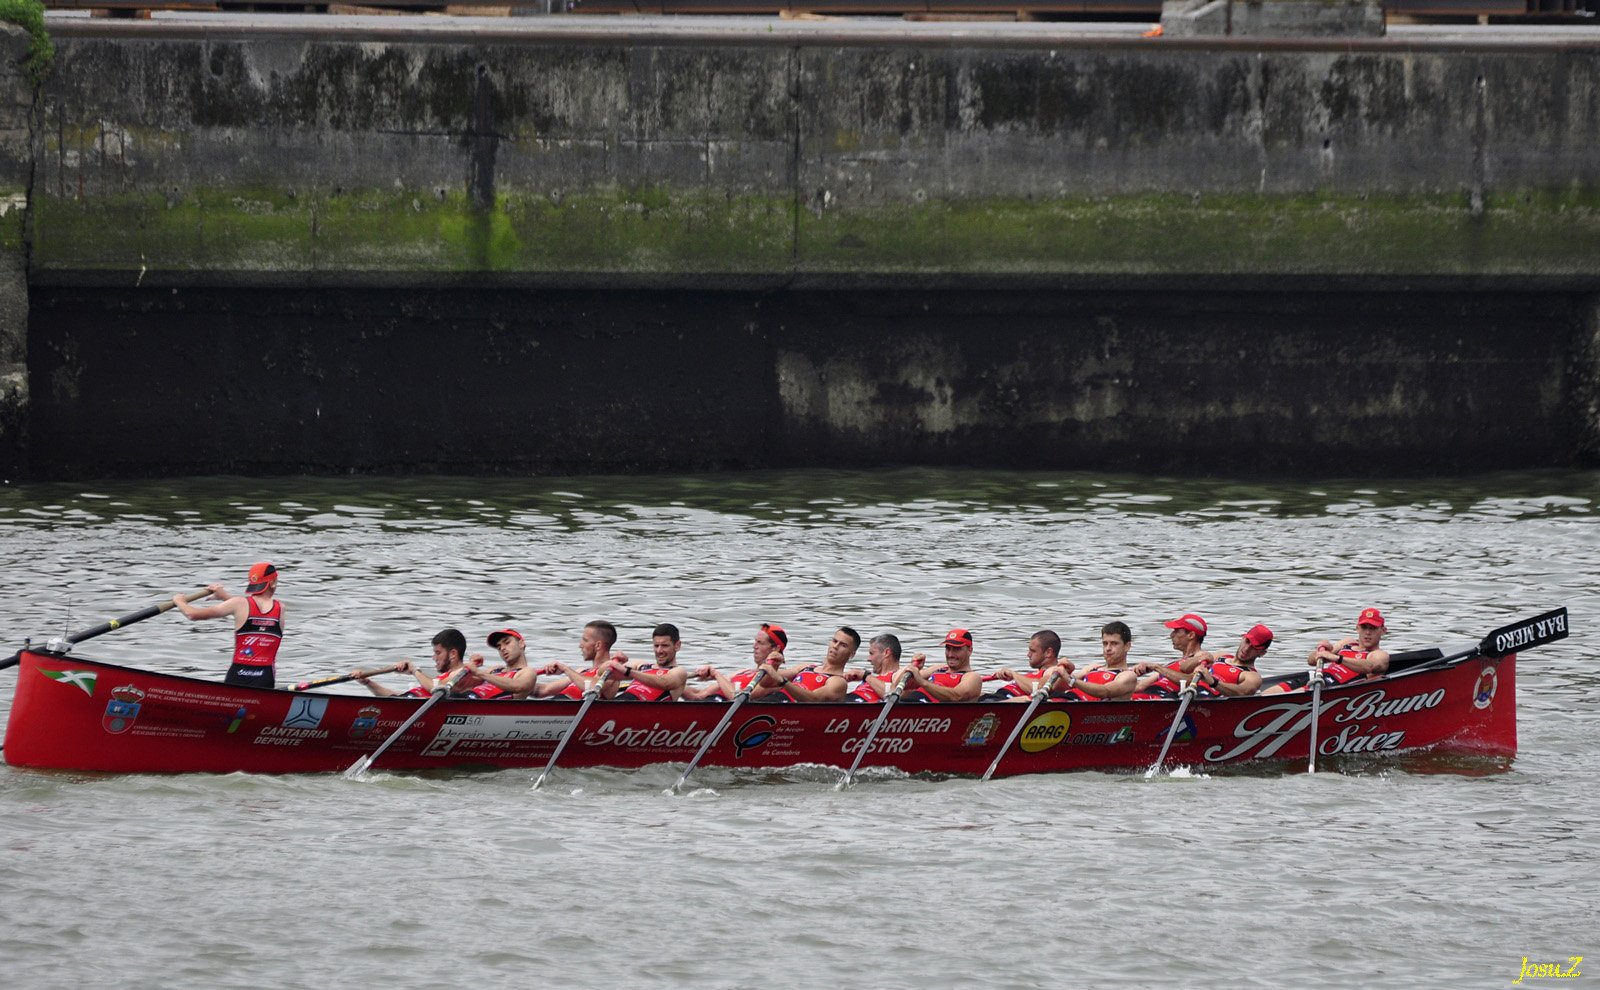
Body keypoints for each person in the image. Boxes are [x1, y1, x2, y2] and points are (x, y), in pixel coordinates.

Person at [173, 561, 284, 689]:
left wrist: (179, 601)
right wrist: (225, 596)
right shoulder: (280, 608)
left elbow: (192, 614)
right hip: (265, 677)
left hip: (238, 675)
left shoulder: (238, 604)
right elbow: (253, 609)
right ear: (273, 583)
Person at [1268, 607, 1391, 693]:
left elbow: (1370, 667)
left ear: (1383, 631)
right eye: (1364, 627)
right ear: (1357, 628)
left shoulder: (1379, 655)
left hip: (1335, 688)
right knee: (1268, 694)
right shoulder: (1348, 642)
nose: (1368, 633)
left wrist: (1338, 658)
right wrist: (1321, 650)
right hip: (1317, 676)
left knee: (1291, 696)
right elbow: (1311, 661)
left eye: (1373, 628)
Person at [358, 629, 477, 698]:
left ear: (453, 654)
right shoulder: (442, 678)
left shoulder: (463, 674)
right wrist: (368, 683)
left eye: (438, 653)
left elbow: (438, 688)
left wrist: (414, 671)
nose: (434, 658)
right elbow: (398, 697)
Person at [684, 623, 788, 701]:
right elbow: (698, 696)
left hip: (725, 711)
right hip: (708, 704)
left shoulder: (773, 680)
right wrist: (675, 681)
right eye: (755, 641)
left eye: (760, 643)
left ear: (775, 649)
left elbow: (736, 697)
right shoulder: (742, 672)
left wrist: (715, 674)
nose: (754, 646)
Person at [763, 627, 859, 702]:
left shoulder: (838, 682)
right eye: (834, 641)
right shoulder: (806, 667)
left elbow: (813, 699)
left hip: (788, 713)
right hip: (770, 701)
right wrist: (774, 666)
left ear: (851, 654)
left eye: (843, 645)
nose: (835, 646)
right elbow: (765, 683)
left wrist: (782, 681)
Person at [1050, 621, 1140, 701]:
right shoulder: (1092, 668)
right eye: (1105, 644)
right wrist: (1067, 672)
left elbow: (1105, 691)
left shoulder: (1128, 676)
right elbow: (1058, 688)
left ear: (1127, 646)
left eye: (1114, 643)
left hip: (1084, 710)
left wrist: (1070, 679)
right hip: (1065, 700)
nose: (1108, 648)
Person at [1132, 613, 1209, 699]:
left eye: (1176, 631)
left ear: (1191, 635)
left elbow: (1191, 681)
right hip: (1148, 695)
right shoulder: (1172, 665)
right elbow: (1140, 686)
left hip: (1164, 699)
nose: (1171, 635)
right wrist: (1129, 675)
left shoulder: (1201, 658)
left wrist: (1157, 667)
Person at [539, 620, 624, 700]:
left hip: (567, 710)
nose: (580, 645)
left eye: (585, 640)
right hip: (552, 706)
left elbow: (593, 687)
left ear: (598, 645)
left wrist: (565, 669)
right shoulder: (581, 672)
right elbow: (543, 690)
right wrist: (528, 677)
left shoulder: (612, 672)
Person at [899, 629, 985, 703]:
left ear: (970, 650)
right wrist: (914, 668)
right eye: (948, 649)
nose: (950, 654)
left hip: (928, 712)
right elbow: (900, 684)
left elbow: (956, 696)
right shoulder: (938, 668)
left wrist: (922, 682)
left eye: (956, 649)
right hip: (907, 703)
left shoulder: (972, 677)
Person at [613, 623, 690, 701]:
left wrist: (627, 671)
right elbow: (604, 672)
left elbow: (664, 683)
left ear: (677, 645)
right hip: (618, 702)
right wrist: (614, 662)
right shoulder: (641, 665)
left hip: (643, 709)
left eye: (665, 646)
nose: (659, 651)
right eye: (656, 646)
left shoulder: (679, 672)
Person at [1191, 624, 1272, 697]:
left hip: (1207, 706)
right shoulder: (1220, 656)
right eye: (1247, 641)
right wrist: (1197, 659)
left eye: (1254, 647)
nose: (1247, 649)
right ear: (1242, 638)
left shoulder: (1252, 676)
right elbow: (1184, 667)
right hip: (1188, 694)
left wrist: (1213, 682)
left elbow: (1242, 692)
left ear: (1262, 653)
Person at [987, 630, 1066, 701]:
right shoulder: (1037, 673)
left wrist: (1013, 674)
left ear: (1048, 652)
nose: (1028, 654)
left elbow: (1038, 687)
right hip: (998, 697)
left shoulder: (1054, 670)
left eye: (1033, 651)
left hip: (1006, 701)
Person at [462, 628, 537, 700]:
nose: (502, 648)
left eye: (507, 643)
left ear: (521, 644)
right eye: (499, 647)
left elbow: (519, 687)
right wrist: (471, 667)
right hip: (462, 698)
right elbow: (462, 685)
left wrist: (479, 673)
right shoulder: (495, 669)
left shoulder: (527, 672)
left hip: (480, 707)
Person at [850, 633, 917, 703]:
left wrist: (865, 675)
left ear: (886, 653)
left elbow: (892, 693)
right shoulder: (870, 679)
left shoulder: (899, 676)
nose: (868, 659)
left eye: (871, 653)